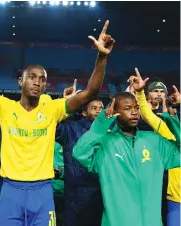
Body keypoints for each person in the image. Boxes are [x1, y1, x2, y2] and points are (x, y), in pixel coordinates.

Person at [0, 13, 115, 225]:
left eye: (42, 79)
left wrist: (102, 56)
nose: (37, 82)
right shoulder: (5, 107)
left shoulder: (53, 108)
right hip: (11, 190)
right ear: (20, 82)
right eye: (32, 77)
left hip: (42, 191)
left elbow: (90, 92)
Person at [72, 92, 180, 226]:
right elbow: (80, 153)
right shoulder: (105, 143)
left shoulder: (154, 141)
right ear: (115, 112)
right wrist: (101, 124)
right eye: (128, 109)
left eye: (136, 108)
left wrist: (174, 119)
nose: (134, 112)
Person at [128, 68, 180, 226]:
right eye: (155, 91)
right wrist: (139, 94)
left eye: (161, 91)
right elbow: (146, 113)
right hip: (175, 198)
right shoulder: (167, 131)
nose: (158, 94)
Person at [55, 98, 104, 226]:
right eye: (94, 108)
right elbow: (52, 125)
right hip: (75, 195)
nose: (99, 111)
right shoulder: (71, 128)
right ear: (84, 113)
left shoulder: (109, 131)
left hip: (101, 193)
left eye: (101, 108)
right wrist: (65, 103)